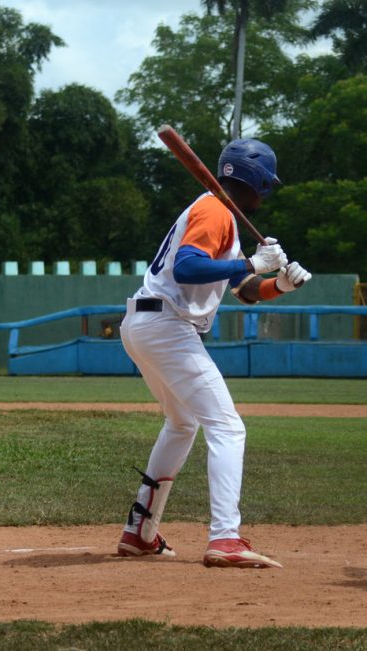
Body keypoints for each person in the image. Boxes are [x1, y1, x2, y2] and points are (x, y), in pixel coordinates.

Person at [116, 138, 311, 569]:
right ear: (257, 179)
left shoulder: (222, 216)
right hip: (166, 326)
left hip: (148, 324)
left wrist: (280, 284)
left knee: (183, 422)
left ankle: (140, 531)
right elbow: (188, 266)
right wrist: (251, 264)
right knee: (227, 426)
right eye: (267, 184)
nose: (267, 192)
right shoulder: (215, 210)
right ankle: (225, 537)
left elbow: (243, 291)